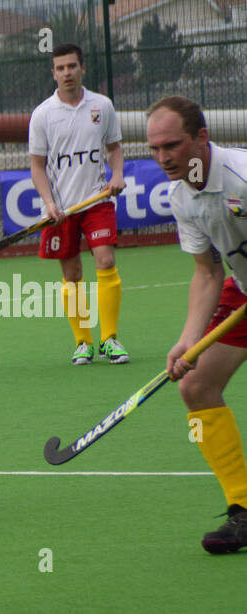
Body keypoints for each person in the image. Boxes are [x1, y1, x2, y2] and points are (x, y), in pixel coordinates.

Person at [147, 96, 247, 553]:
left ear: (202, 138)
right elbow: (207, 272)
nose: (164, 157)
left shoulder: (242, 175)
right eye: (155, 148)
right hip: (242, 290)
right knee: (195, 387)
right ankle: (243, 509)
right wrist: (187, 341)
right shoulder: (180, 196)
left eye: (173, 145)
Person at [28, 42, 128, 366]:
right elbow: (37, 166)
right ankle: (83, 342)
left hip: (97, 201)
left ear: (82, 68)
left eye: (72, 66)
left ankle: (110, 339)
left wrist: (117, 174)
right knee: (71, 274)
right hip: (61, 209)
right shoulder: (42, 115)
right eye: (60, 68)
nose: (66, 73)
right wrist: (48, 204)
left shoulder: (103, 106)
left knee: (105, 259)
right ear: (53, 73)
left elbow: (114, 148)